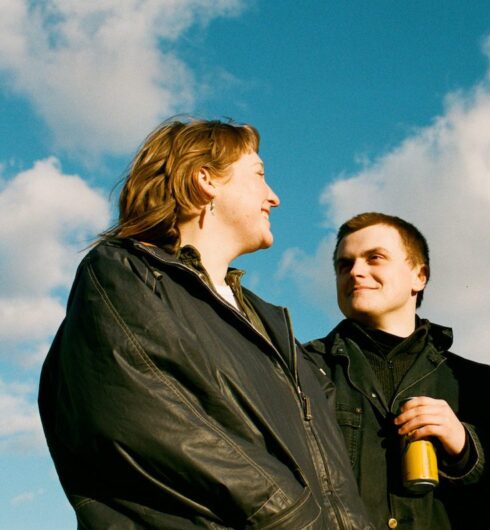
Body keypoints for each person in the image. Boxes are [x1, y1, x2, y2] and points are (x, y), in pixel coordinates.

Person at [38, 118, 373, 529]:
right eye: (260, 175)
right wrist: (291, 515)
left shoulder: (270, 324)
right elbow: (149, 417)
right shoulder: (123, 275)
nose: (275, 197)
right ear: (206, 181)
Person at [305, 212, 490, 529]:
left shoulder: (479, 384)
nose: (356, 271)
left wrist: (466, 447)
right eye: (345, 264)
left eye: (375, 258)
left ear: (419, 276)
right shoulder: (301, 369)